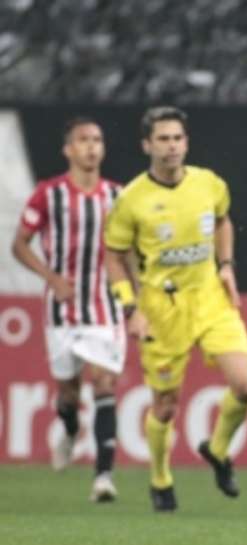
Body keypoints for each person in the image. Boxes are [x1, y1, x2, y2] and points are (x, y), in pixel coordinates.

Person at [104, 106, 247, 513]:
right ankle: (159, 477)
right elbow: (115, 256)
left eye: (177, 138)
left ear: (186, 142)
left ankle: (218, 450)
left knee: (245, 386)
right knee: (166, 406)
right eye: (163, 139)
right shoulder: (132, 199)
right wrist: (130, 308)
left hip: (210, 298)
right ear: (147, 145)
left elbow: (223, 222)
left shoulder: (209, 184)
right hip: (161, 308)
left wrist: (226, 266)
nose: (171, 147)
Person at [12, 117, 124, 503]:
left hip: (105, 306)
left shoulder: (118, 197)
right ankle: (70, 427)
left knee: (106, 382)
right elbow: (20, 245)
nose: (92, 146)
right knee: (69, 392)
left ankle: (103, 477)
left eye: (97, 139)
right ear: (68, 150)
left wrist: (136, 299)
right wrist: (51, 277)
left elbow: (130, 252)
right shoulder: (48, 194)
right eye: (83, 140)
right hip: (61, 309)